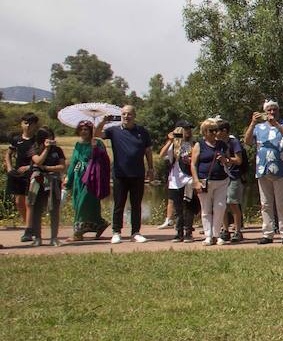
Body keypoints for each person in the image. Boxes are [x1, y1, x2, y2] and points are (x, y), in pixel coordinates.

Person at [96, 104, 155, 244]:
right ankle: (116, 232)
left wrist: (151, 168)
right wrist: (103, 121)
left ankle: (135, 232)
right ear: (121, 116)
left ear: (134, 115)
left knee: (136, 205)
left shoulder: (142, 132)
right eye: (124, 114)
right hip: (120, 174)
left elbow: (148, 151)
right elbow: (97, 134)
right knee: (118, 204)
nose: (126, 116)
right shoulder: (113, 131)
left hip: (138, 174)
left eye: (129, 114)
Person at [243, 99, 283, 245]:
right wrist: (252, 123)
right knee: (265, 203)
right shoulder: (259, 127)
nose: (272, 112)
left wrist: (276, 125)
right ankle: (268, 233)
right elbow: (247, 141)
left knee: (281, 203)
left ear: (278, 111)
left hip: (281, 169)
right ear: (264, 112)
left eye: (274, 109)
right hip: (262, 169)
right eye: (269, 110)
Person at [191, 118, 237, 245]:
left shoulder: (222, 144)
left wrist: (225, 160)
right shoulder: (199, 145)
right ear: (204, 131)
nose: (215, 133)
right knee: (206, 209)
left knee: (220, 207)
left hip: (221, 181)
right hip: (204, 181)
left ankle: (217, 235)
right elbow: (193, 164)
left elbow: (228, 161)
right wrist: (196, 181)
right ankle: (208, 235)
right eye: (212, 131)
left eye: (216, 130)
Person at [65, 119, 109, 240]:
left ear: (91, 131)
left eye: (86, 129)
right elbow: (73, 162)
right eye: (81, 129)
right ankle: (100, 224)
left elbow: (105, 160)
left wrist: (96, 149)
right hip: (78, 176)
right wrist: (68, 177)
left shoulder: (98, 143)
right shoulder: (78, 145)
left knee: (84, 203)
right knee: (78, 202)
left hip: (92, 177)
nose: (84, 131)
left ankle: (77, 233)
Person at [23, 128, 66, 246]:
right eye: (47, 137)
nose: (50, 139)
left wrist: (48, 168)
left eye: (51, 136)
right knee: (36, 208)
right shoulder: (34, 148)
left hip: (53, 179)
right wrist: (46, 149)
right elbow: (38, 162)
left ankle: (54, 238)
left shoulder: (58, 150)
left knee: (54, 209)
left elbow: (62, 166)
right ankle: (37, 237)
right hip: (38, 179)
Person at [160, 122, 196, 242]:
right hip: (175, 180)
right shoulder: (173, 145)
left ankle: (188, 232)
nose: (188, 131)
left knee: (189, 207)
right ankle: (178, 232)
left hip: (189, 179)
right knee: (178, 209)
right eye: (185, 129)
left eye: (189, 129)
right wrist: (170, 140)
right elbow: (162, 155)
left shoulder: (194, 144)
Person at [5, 112, 40, 236]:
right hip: (17, 174)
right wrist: (9, 168)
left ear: (36, 125)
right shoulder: (16, 139)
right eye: (25, 123)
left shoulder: (37, 140)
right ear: (21, 124)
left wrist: (29, 167)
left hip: (32, 173)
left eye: (31, 123)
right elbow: (8, 154)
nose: (28, 126)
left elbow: (42, 159)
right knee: (19, 202)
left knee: (29, 201)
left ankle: (29, 229)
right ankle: (28, 225)